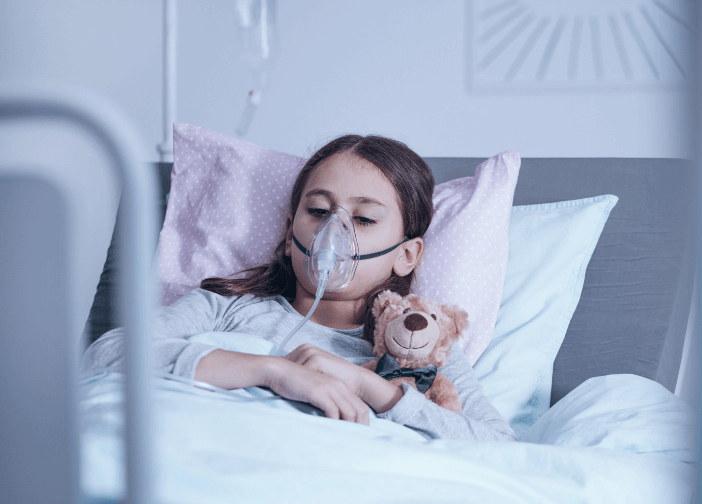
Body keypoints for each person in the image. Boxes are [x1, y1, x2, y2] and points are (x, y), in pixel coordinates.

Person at [82, 135, 516, 442]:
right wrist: (273, 371)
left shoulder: (419, 348)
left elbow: (499, 447)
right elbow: (105, 355)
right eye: (319, 210)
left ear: (407, 254)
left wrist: (371, 388)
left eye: (363, 219)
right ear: (291, 234)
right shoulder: (225, 308)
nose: (335, 231)